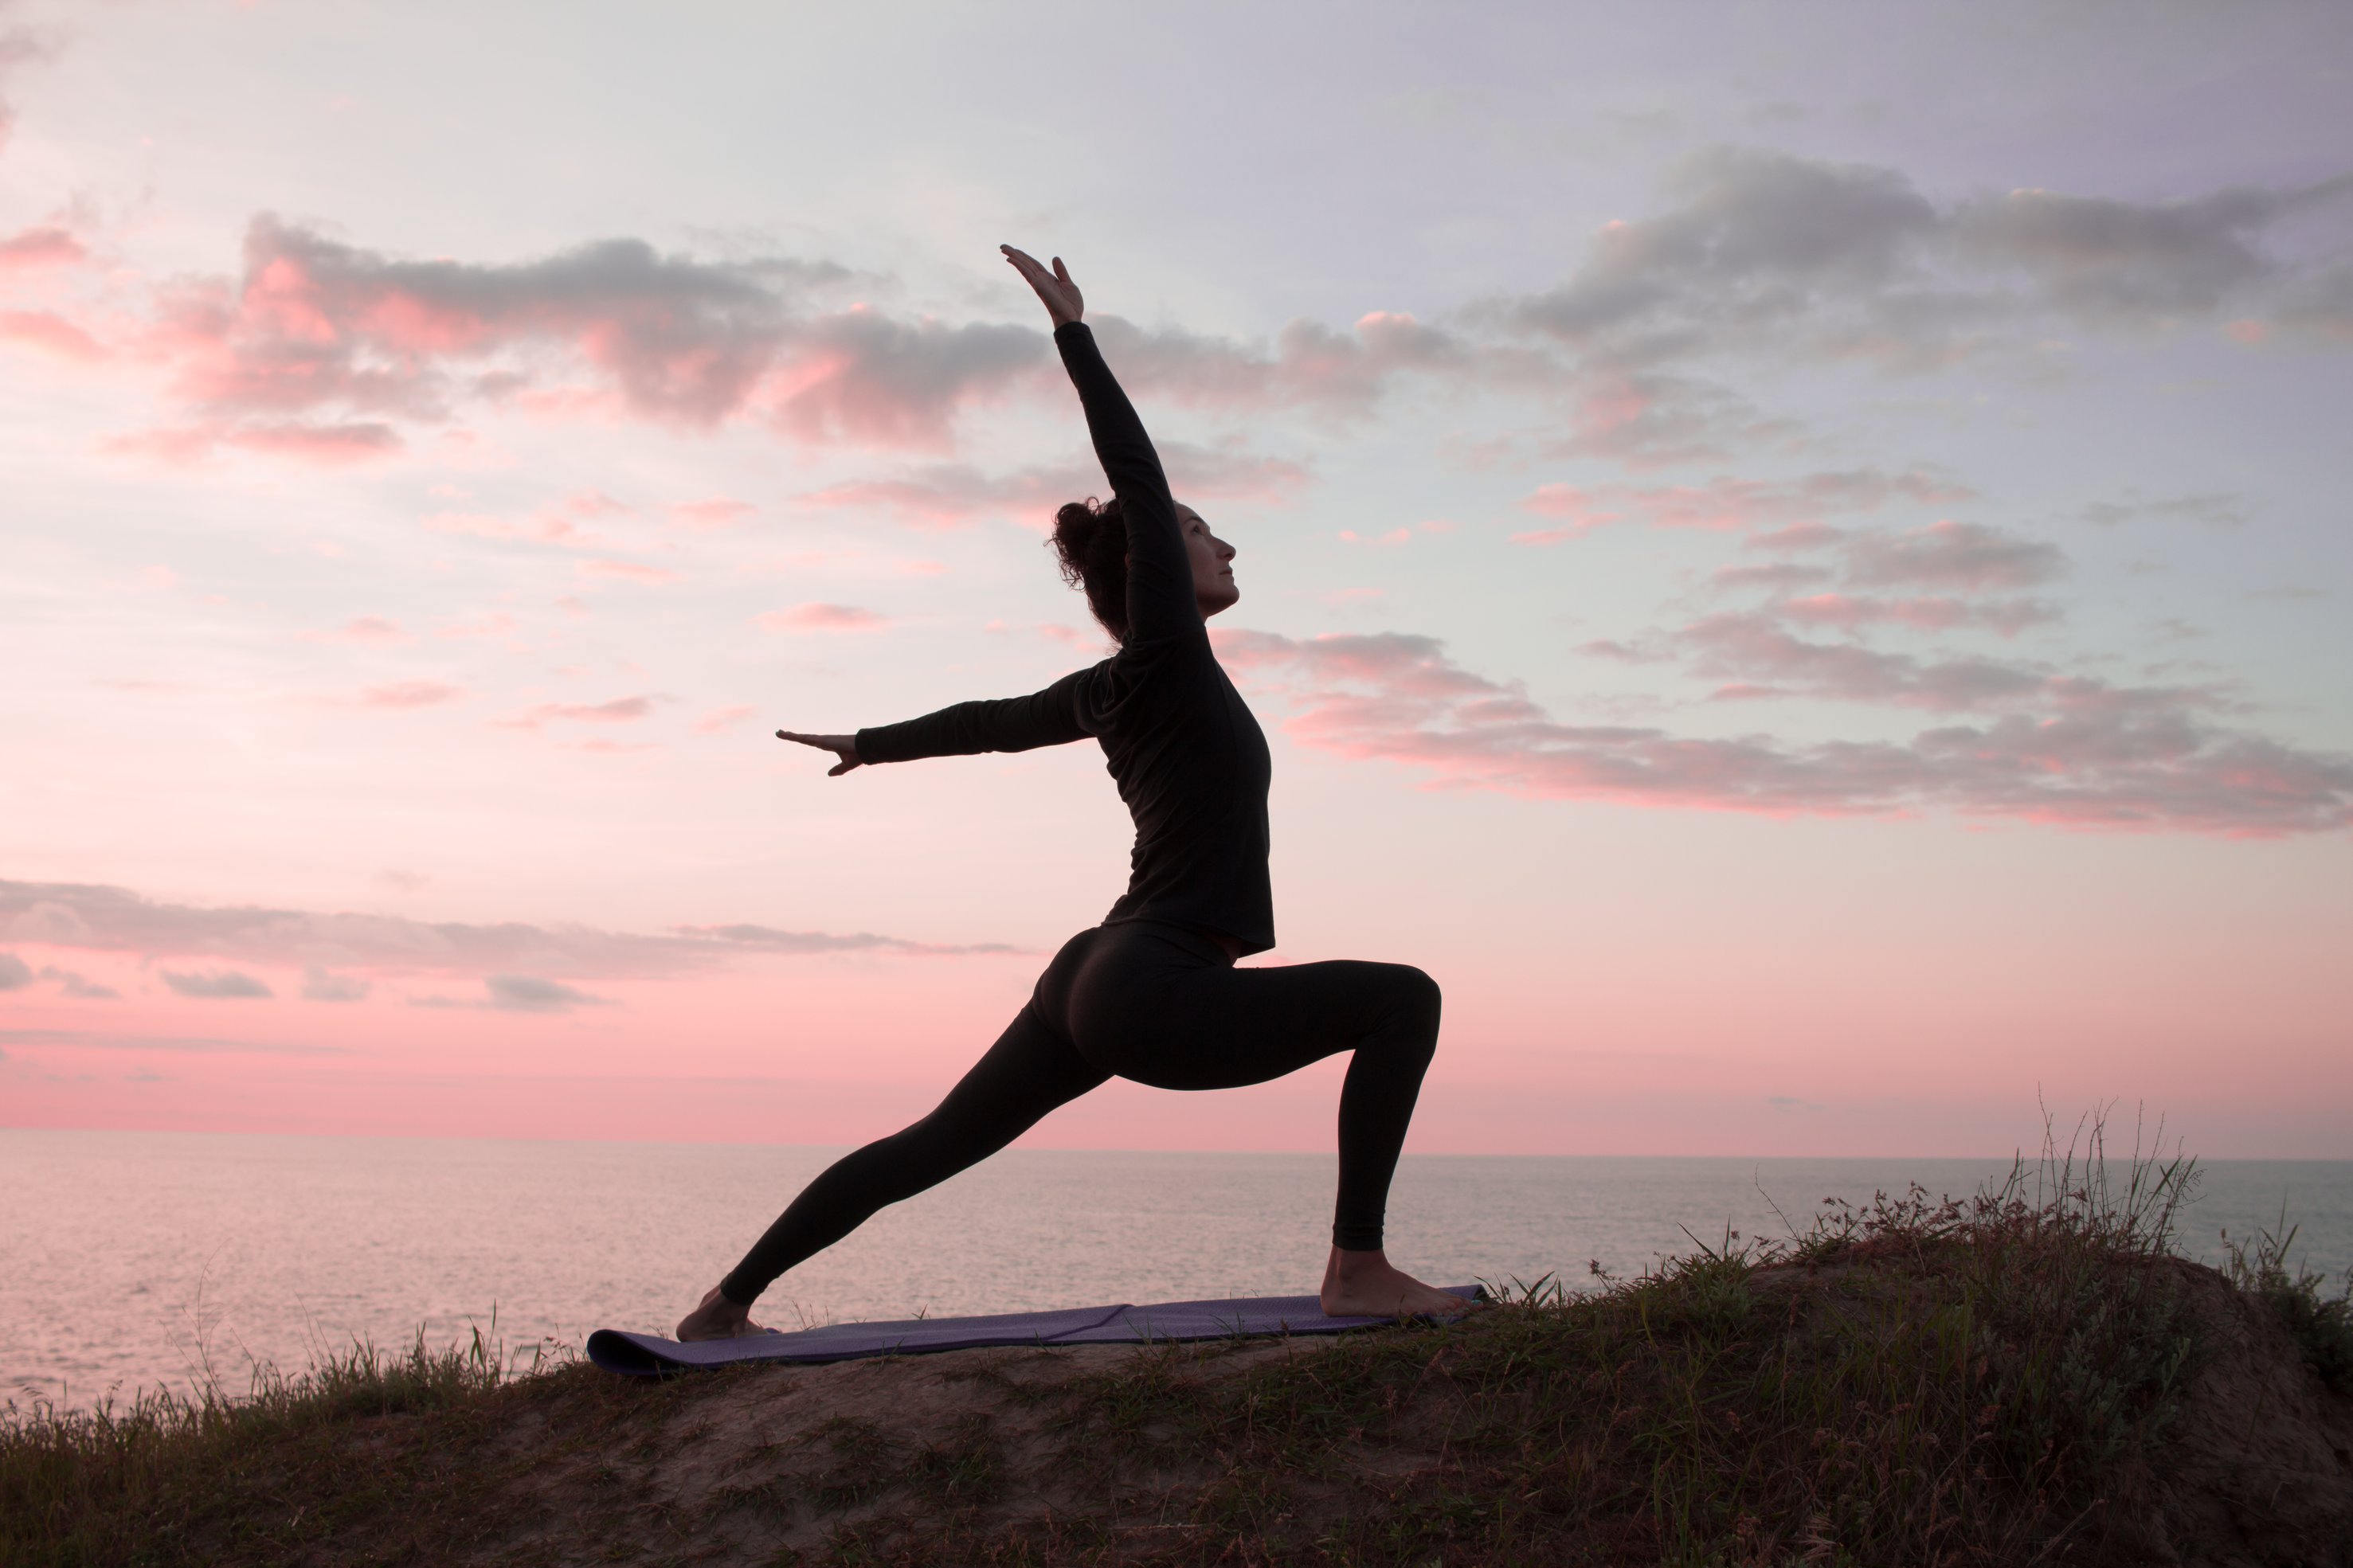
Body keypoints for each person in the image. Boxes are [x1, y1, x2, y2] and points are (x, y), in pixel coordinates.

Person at [675, 247, 1459, 1341]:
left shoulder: (1108, 690)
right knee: (1402, 998)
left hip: (1093, 970)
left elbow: (989, 724)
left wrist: (871, 741)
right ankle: (1358, 1267)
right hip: (1153, 977)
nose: (1226, 543)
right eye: (1197, 530)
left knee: (935, 1140)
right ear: (1148, 561)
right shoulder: (1166, 659)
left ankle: (721, 1306)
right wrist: (1074, 335)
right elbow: (1133, 477)